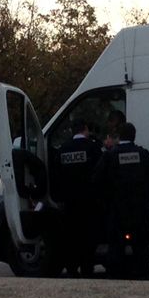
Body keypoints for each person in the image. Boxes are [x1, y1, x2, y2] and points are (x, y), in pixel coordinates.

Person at [93, 122, 149, 278]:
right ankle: (143, 274)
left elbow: (96, 180)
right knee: (141, 246)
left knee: (116, 248)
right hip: (140, 209)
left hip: (117, 211)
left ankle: (116, 276)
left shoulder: (109, 155)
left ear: (118, 136)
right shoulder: (142, 154)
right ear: (134, 136)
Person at [56, 118, 102, 276]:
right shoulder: (93, 147)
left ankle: (71, 268)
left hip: (70, 202)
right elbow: (101, 172)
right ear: (85, 129)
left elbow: (57, 175)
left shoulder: (63, 149)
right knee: (89, 236)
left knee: (71, 236)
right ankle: (87, 267)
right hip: (90, 201)